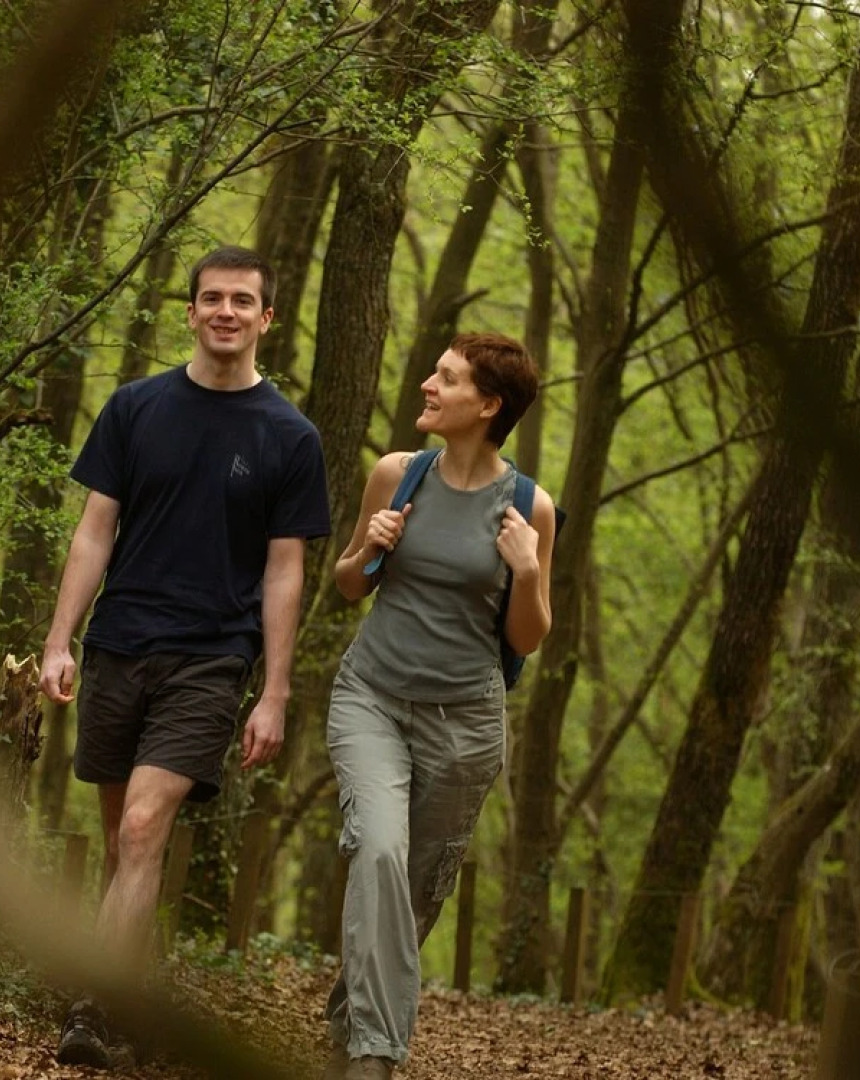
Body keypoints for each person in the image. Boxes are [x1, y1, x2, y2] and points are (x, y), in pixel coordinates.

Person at [39, 245, 331, 1068]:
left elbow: (285, 571)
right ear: (192, 311)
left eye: (244, 300)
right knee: (125, 843)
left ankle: (91, 1011)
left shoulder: (290, 436)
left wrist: (273, 692)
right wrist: (59, 641)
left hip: (212, 659)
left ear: (267, 317)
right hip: (118, 645)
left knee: (140, 827)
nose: (227, 312)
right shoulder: (135, 408)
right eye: (213, 299)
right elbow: (94, 531)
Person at [320, 333, 555, 1080]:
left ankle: (351, 1013)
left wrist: (526, 573)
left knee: (416, 889)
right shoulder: (397, 474)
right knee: (379, 849)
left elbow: (527, 635)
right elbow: (349, 583)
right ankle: (374, 1056)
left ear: (487, 405)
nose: (427, 384)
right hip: (374, 698)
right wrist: (370, 547)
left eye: (446, 378)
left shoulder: (529, 507)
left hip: (466, 723)